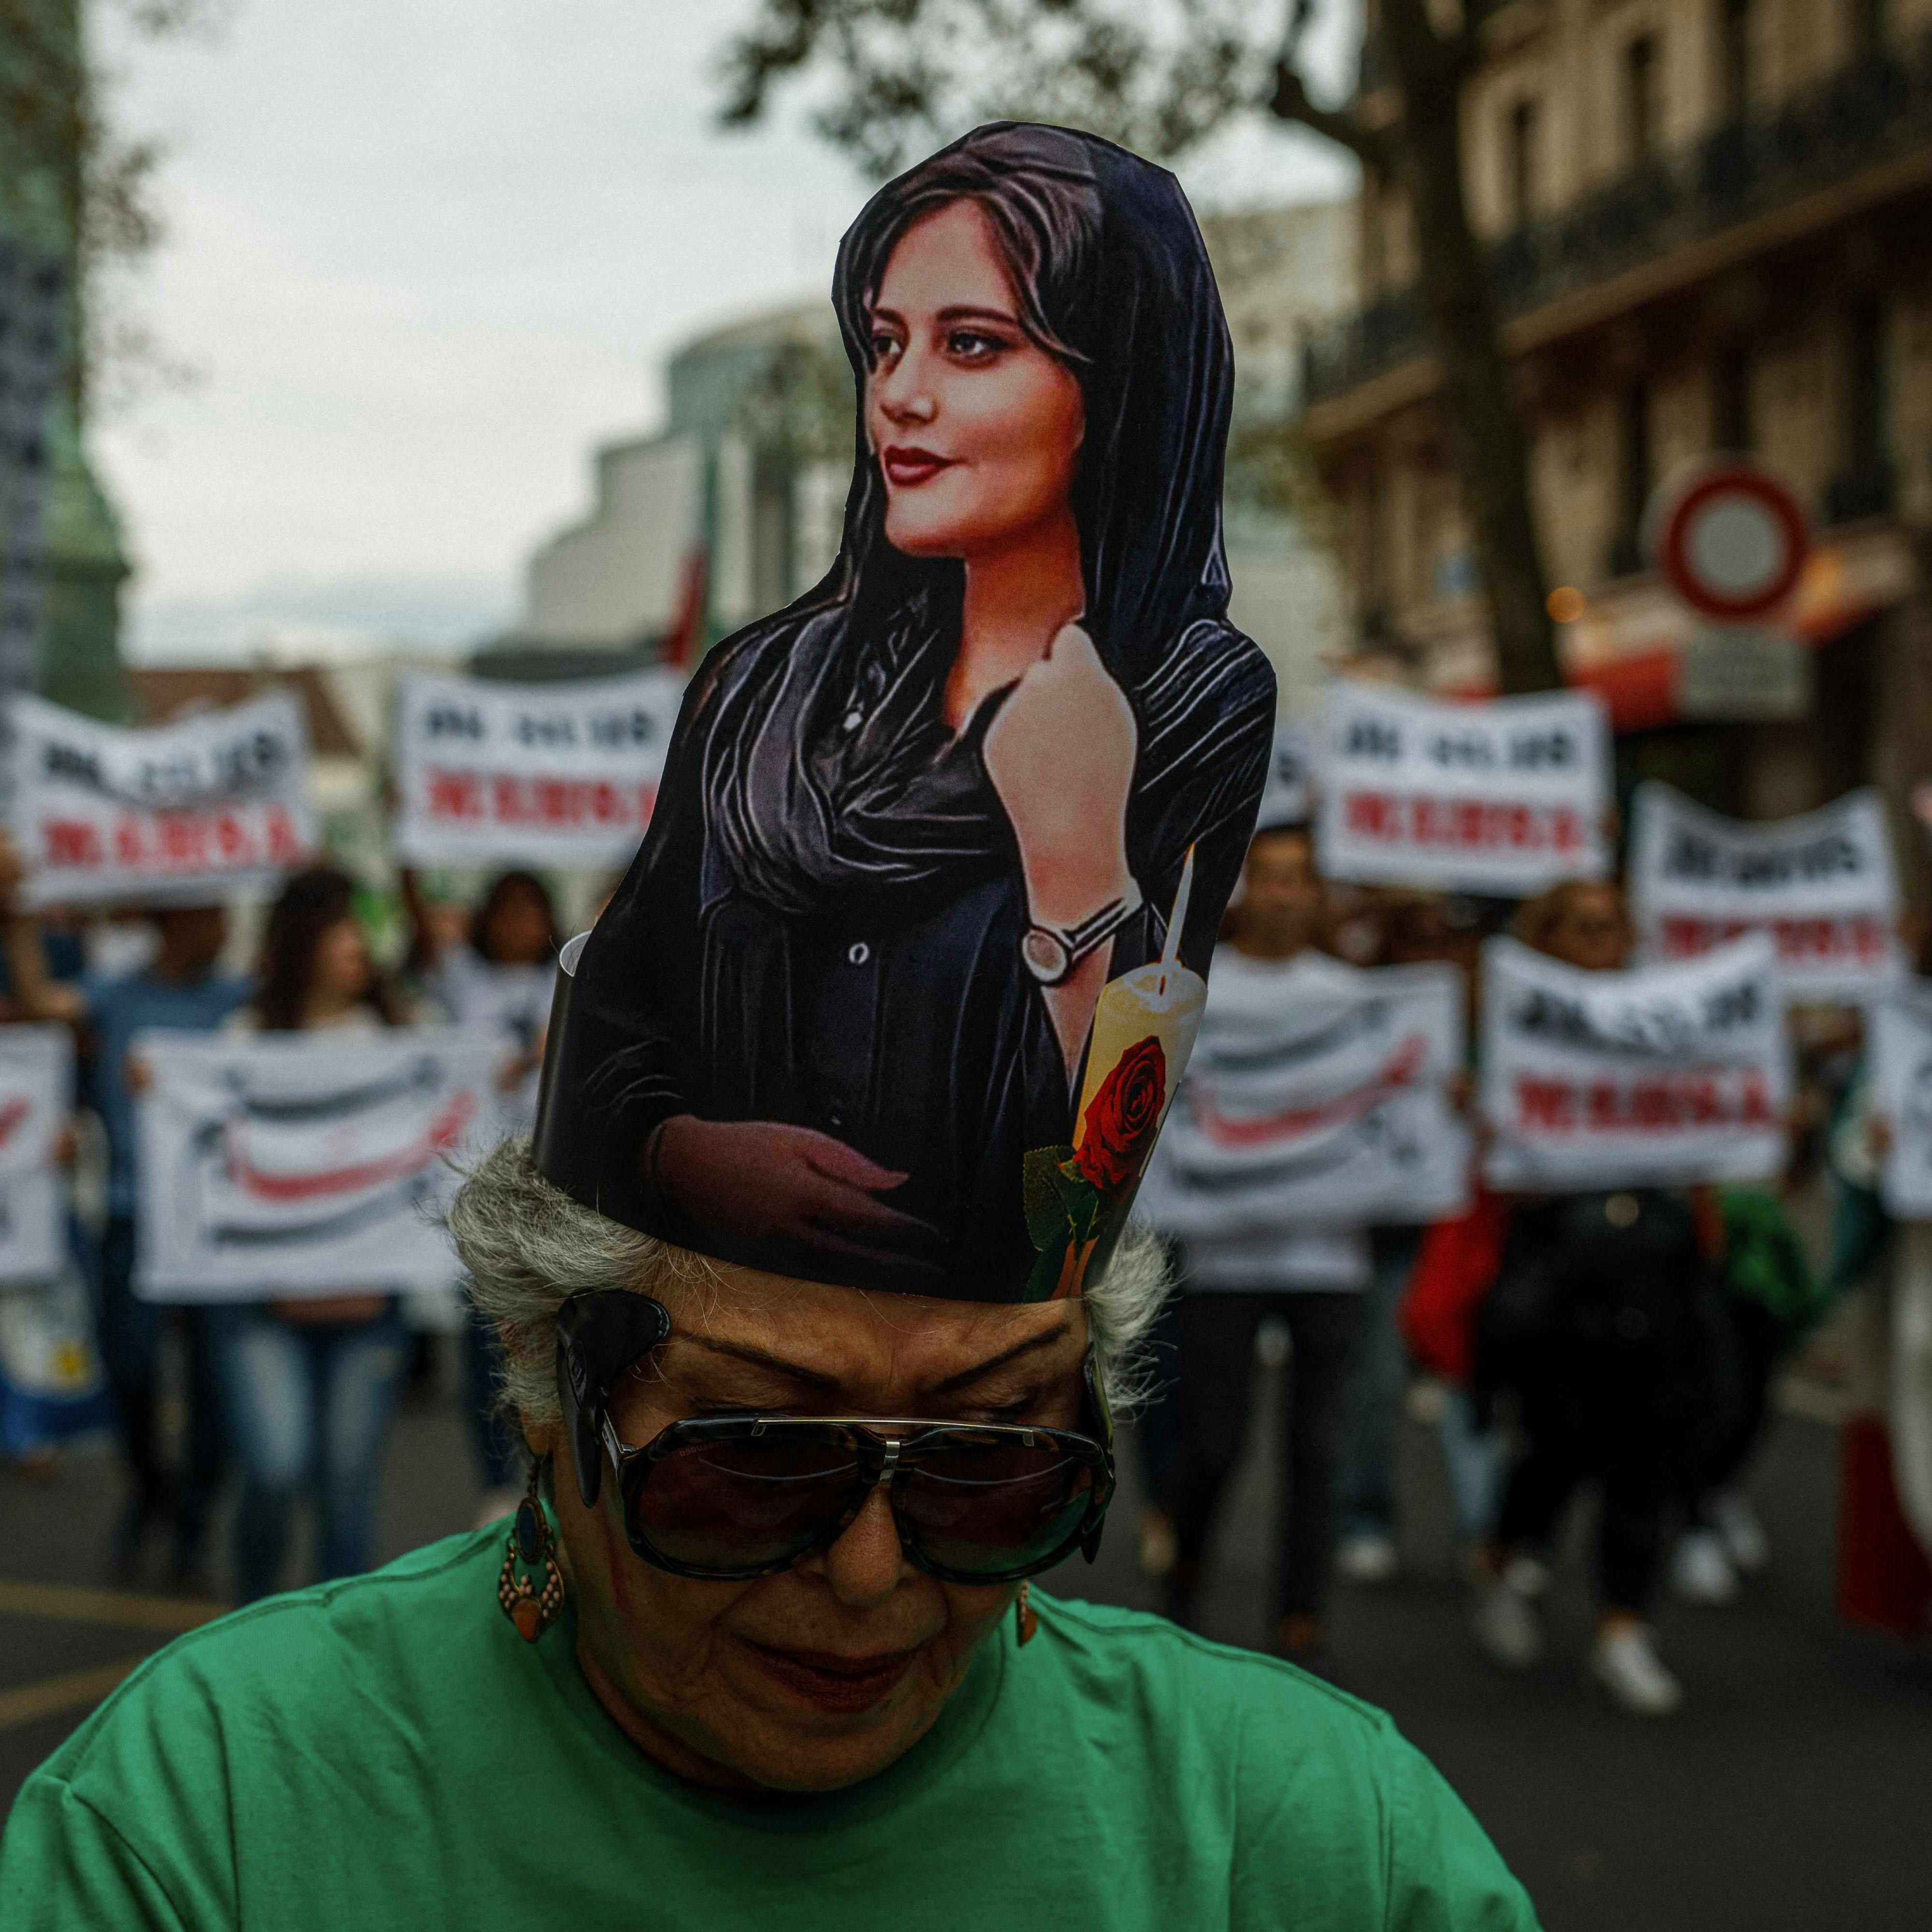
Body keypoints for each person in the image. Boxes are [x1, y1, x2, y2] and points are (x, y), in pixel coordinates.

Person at [0, 126, 1537, 1932]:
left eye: (994, 1473)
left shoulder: (1312, 1850)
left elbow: (1101, 1120)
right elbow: (638, 1007)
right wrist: (682, 1147)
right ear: (551, 1417)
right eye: (748, 1470)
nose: (872, 1579)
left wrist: (1069, 876)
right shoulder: (213, 1830)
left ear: (1113, 390)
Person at [1470, 878, 1712, 1716]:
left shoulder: (1672, 1024)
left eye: (1613, 928)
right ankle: (1509, 1559)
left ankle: (1623, 1628)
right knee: (1554, 1450)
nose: (1602, 943)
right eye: (1583, 929)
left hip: (1656, 1275)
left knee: (1648, 1460)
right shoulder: (1518, 1028)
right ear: (1551, 940)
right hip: (1561, 1281)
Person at [1149, 822, 1372, 1662]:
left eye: (1296, 879)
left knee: (1319, 1450)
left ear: (1318, 896)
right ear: (1246, 891)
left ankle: (1299, 1620)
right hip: (1225, 1256)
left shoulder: (1360, 1000)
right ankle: (1186, 1577)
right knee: (1215, 1439)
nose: (1281, 893)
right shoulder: (1201, 993)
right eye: (1267, 877)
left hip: (1329, 1260)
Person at [2, 888, 249, 1586]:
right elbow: (41, 1000)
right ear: (174, 918)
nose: (224, 922)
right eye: (212, 909)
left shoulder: (240, 997)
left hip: (218, 1226)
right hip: (133, 1216)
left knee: (213, 1389)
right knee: (131, 1369)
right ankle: (152, 1492)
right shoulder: (115, 996)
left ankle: (193, 1521)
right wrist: (20, 913)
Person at [210, 866, 414, 1604]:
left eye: (365, 927)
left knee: (347, 1487)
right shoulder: (241, 1038)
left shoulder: (403, 1036)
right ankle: (250, 1624)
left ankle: (336, 1658)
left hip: (366, 1307)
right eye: (342, 928)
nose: (361, 945)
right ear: (302, 939)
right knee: (274, 1467)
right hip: (265, 1304)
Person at [1336, 891, 1487, 1585]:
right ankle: (1365, 1512)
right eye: (1419, 940)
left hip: (1477, 1231)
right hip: (1395, 1229)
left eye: (1450, 941)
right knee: (1378, 1378)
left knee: (1476, 1379)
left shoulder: (1501, 1028)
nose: (1437, 957)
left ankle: (1487, 1531)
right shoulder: (1357, 1019)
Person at [404, 866, 562, 1517]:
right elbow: (416, 917)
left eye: (531, 912)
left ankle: (551, 1472)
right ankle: (499, 1482)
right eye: (506, 912)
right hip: (476, 1187)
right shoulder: (462, 979)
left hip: (555, 1191)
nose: (519, 926)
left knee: (552, 1335)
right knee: (485, 1343)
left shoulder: (570, 976)